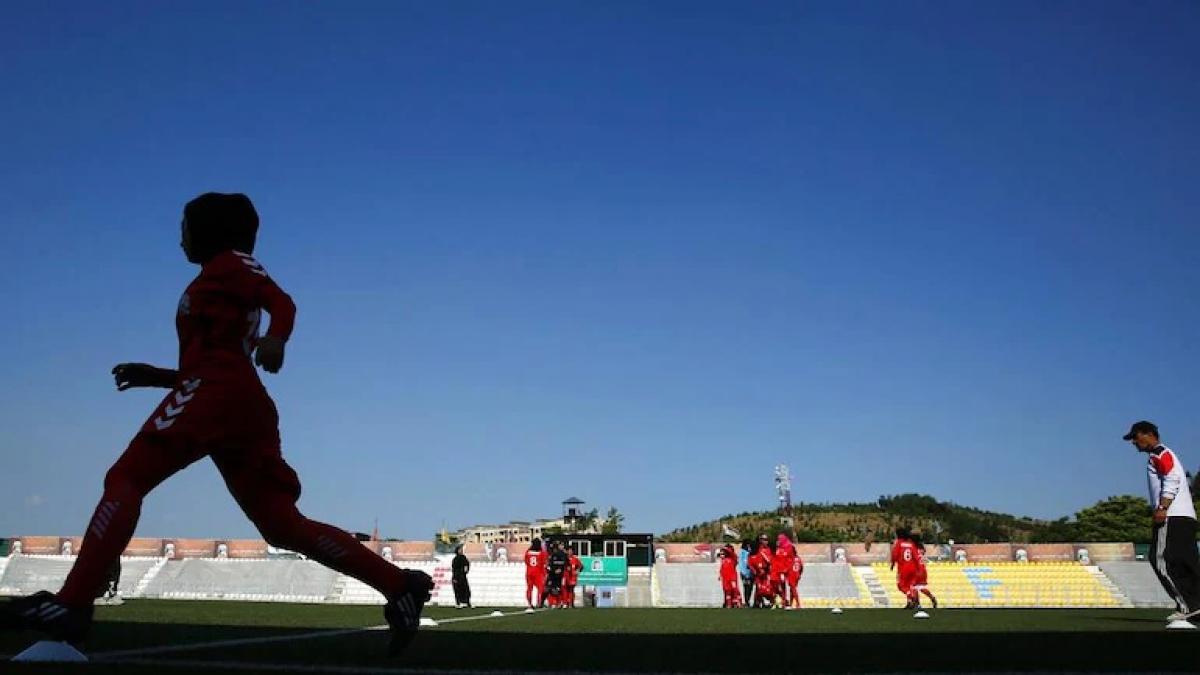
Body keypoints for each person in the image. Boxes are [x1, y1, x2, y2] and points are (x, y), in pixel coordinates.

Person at [0, 193, 432, 653]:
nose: (180, 235)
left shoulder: (231, 262)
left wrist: (276, 340)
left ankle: (72, 603)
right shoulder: (219, 275)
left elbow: (282, 304)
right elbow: (215, 354)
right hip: (236, 399)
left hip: (218, 391)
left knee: (126, 477)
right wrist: (158, 377)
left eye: (185, 225)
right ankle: (399, 585)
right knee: (281, 524)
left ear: (210, 230)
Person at [1124, 421, 1200, 622]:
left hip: (1171, 516)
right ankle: (1196, 604)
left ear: (1148, 434)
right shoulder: (1165, 453)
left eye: (1135, 436)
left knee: (1160, 560)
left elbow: (1172, 477)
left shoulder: (1158, 453)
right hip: (1186, 516)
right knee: (1187, 561)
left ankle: (1188, 605)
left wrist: (1162, 507)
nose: (1133, 442)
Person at [890, 527, 920, 609]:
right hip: (913, 568)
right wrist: (918, 568)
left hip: (903, 568)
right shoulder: (911, 544)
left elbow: (894, 555)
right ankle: (909, 603)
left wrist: (892, 564)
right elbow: (916, 557)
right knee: (909, 585)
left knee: (901, 586)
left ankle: (912, 597)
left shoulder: (899, 543)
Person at [910, 532, 937, 609]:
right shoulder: (921, 547)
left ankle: (917, 604)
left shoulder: (911, 547)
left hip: (915, 569)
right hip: (922, 569)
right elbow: (922, 554)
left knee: (913, 587)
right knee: (921, 587)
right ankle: (932, 598)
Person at [523, 537, 547, 610]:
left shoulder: (528, 552)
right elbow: (544, 563)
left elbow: (526, 561)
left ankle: (530, 604)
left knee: (529, 589)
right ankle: (539, 603)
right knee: (540, 588)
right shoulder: (541, 552)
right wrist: (544, 573)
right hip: (538, 572)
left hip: (529, 572)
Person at [546, 541, 569, 608]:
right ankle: (555, 602)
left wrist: (561, 570)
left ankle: (564, 602)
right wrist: (554, 570)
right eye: (560, 545)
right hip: (554, 574)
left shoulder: (564, 555)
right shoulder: (553, 555)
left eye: (563, 545)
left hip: (562, 574)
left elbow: (567, 565)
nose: (562, 547)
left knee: (563, 588)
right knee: (554, 588)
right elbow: (550, 565)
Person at [737, 540, 754, 608]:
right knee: (746, 587)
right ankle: (746, 602)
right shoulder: (742, 552)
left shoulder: (750, 552)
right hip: (744, 573)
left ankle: (748, 601)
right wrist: (744, 573)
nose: (749, 546)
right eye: (747, 545)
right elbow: (741, 564)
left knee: (750, 588)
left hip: (751, 573)